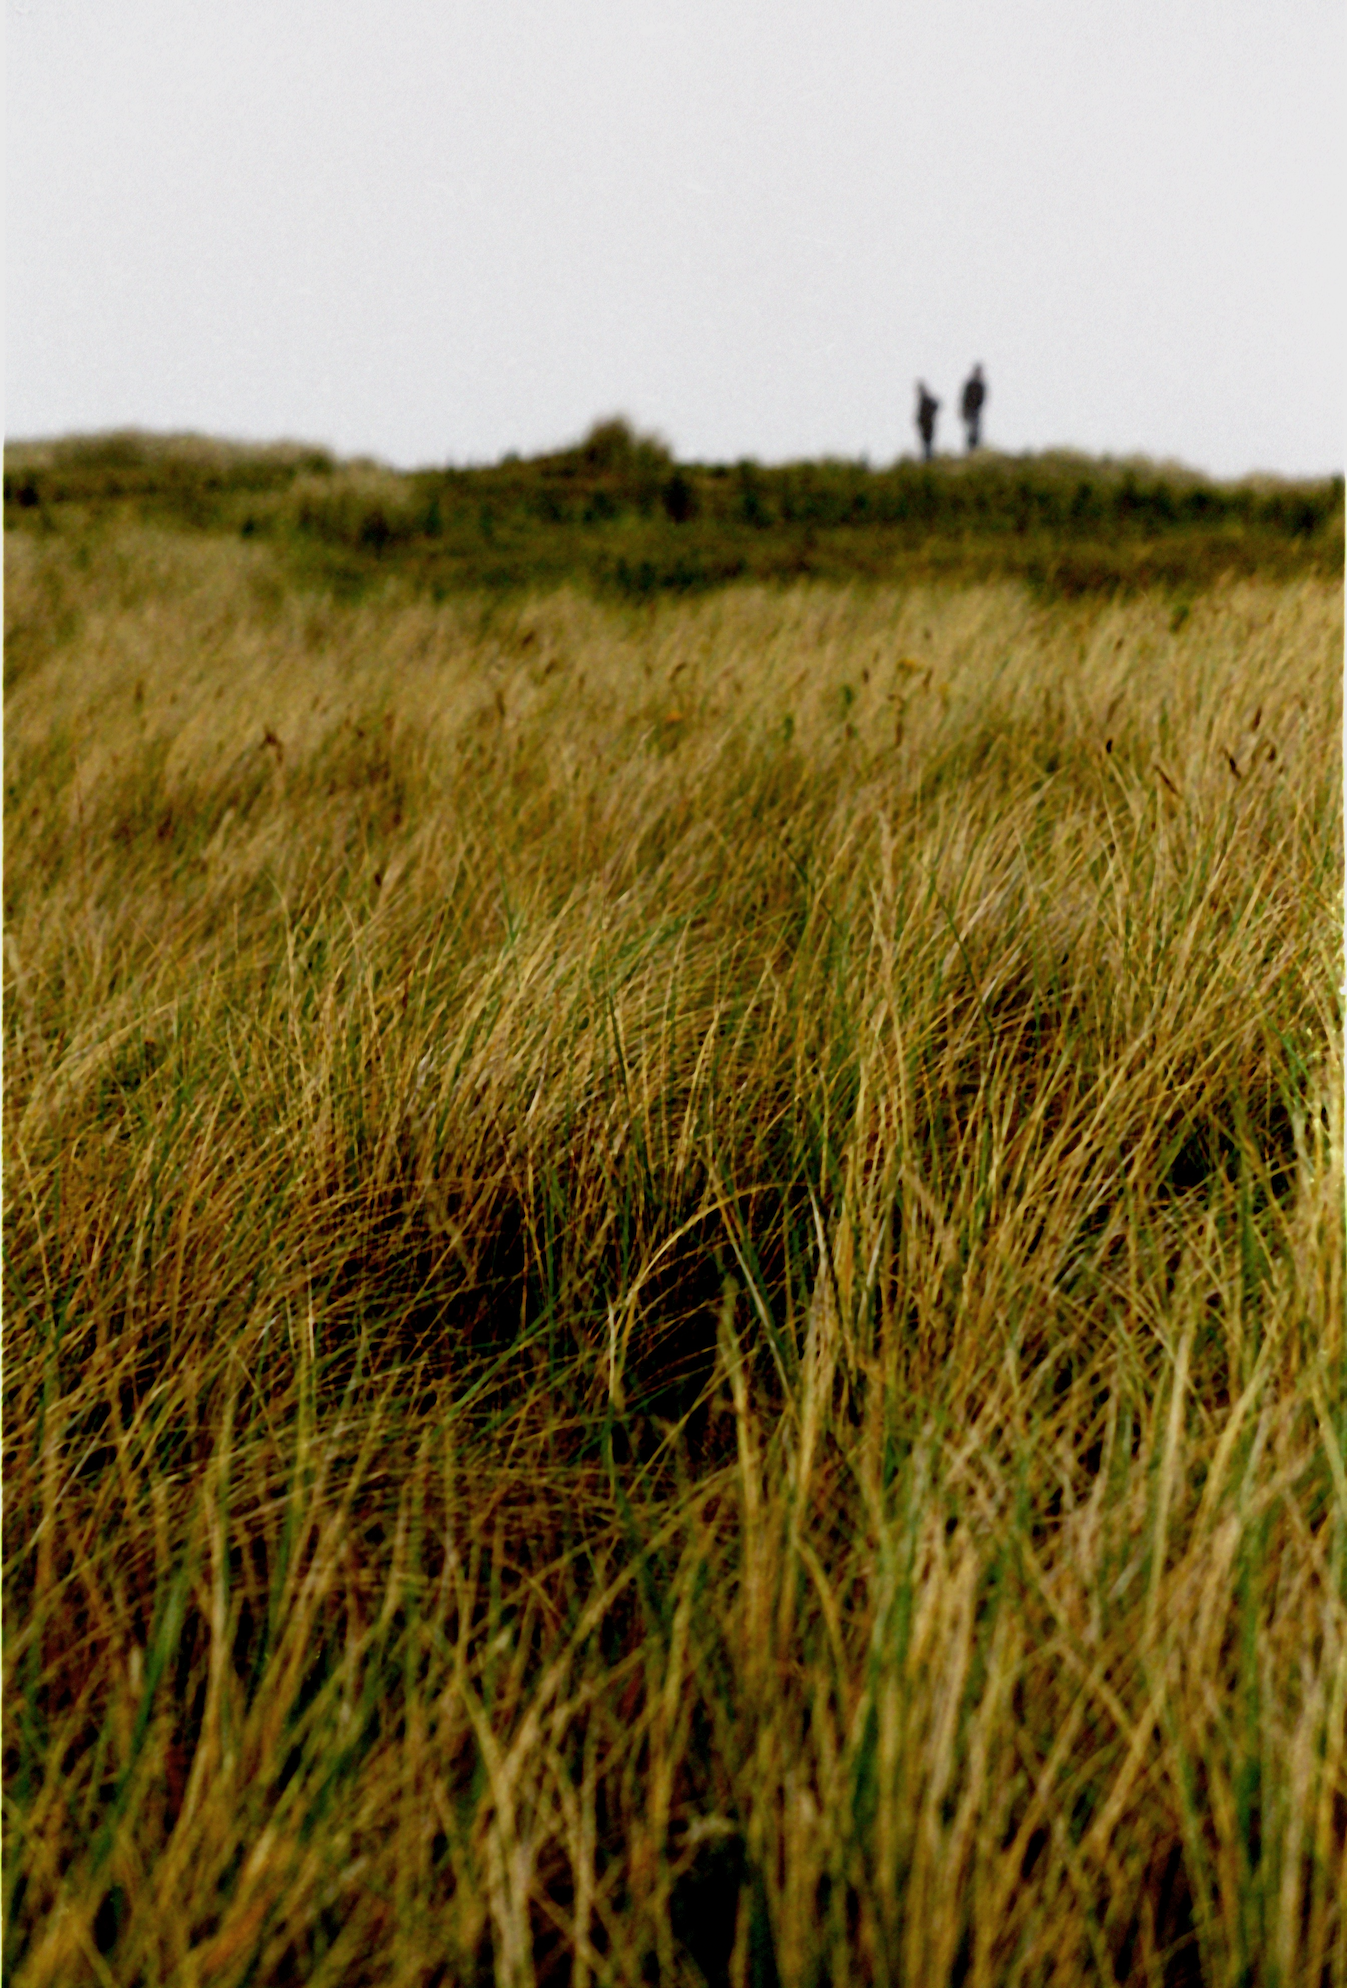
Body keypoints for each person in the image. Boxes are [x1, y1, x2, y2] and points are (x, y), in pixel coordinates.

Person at [961, 365, 986, 451]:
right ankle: (971, 448)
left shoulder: (980, 385)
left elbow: (982, 399)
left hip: (976, 411)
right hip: (970, 410)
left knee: (975, 430)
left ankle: (974, 448)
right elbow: (965, 398)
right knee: (972, 430)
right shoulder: (971, 384)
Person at [915, 382, 940, 461]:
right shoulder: (925, 399)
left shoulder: (925, 399)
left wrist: (931, 414)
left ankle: (928, 458)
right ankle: (928, 457)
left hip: (927, 423)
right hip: (926, 423)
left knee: (927, 441)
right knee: (927, 442)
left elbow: (936, 405)